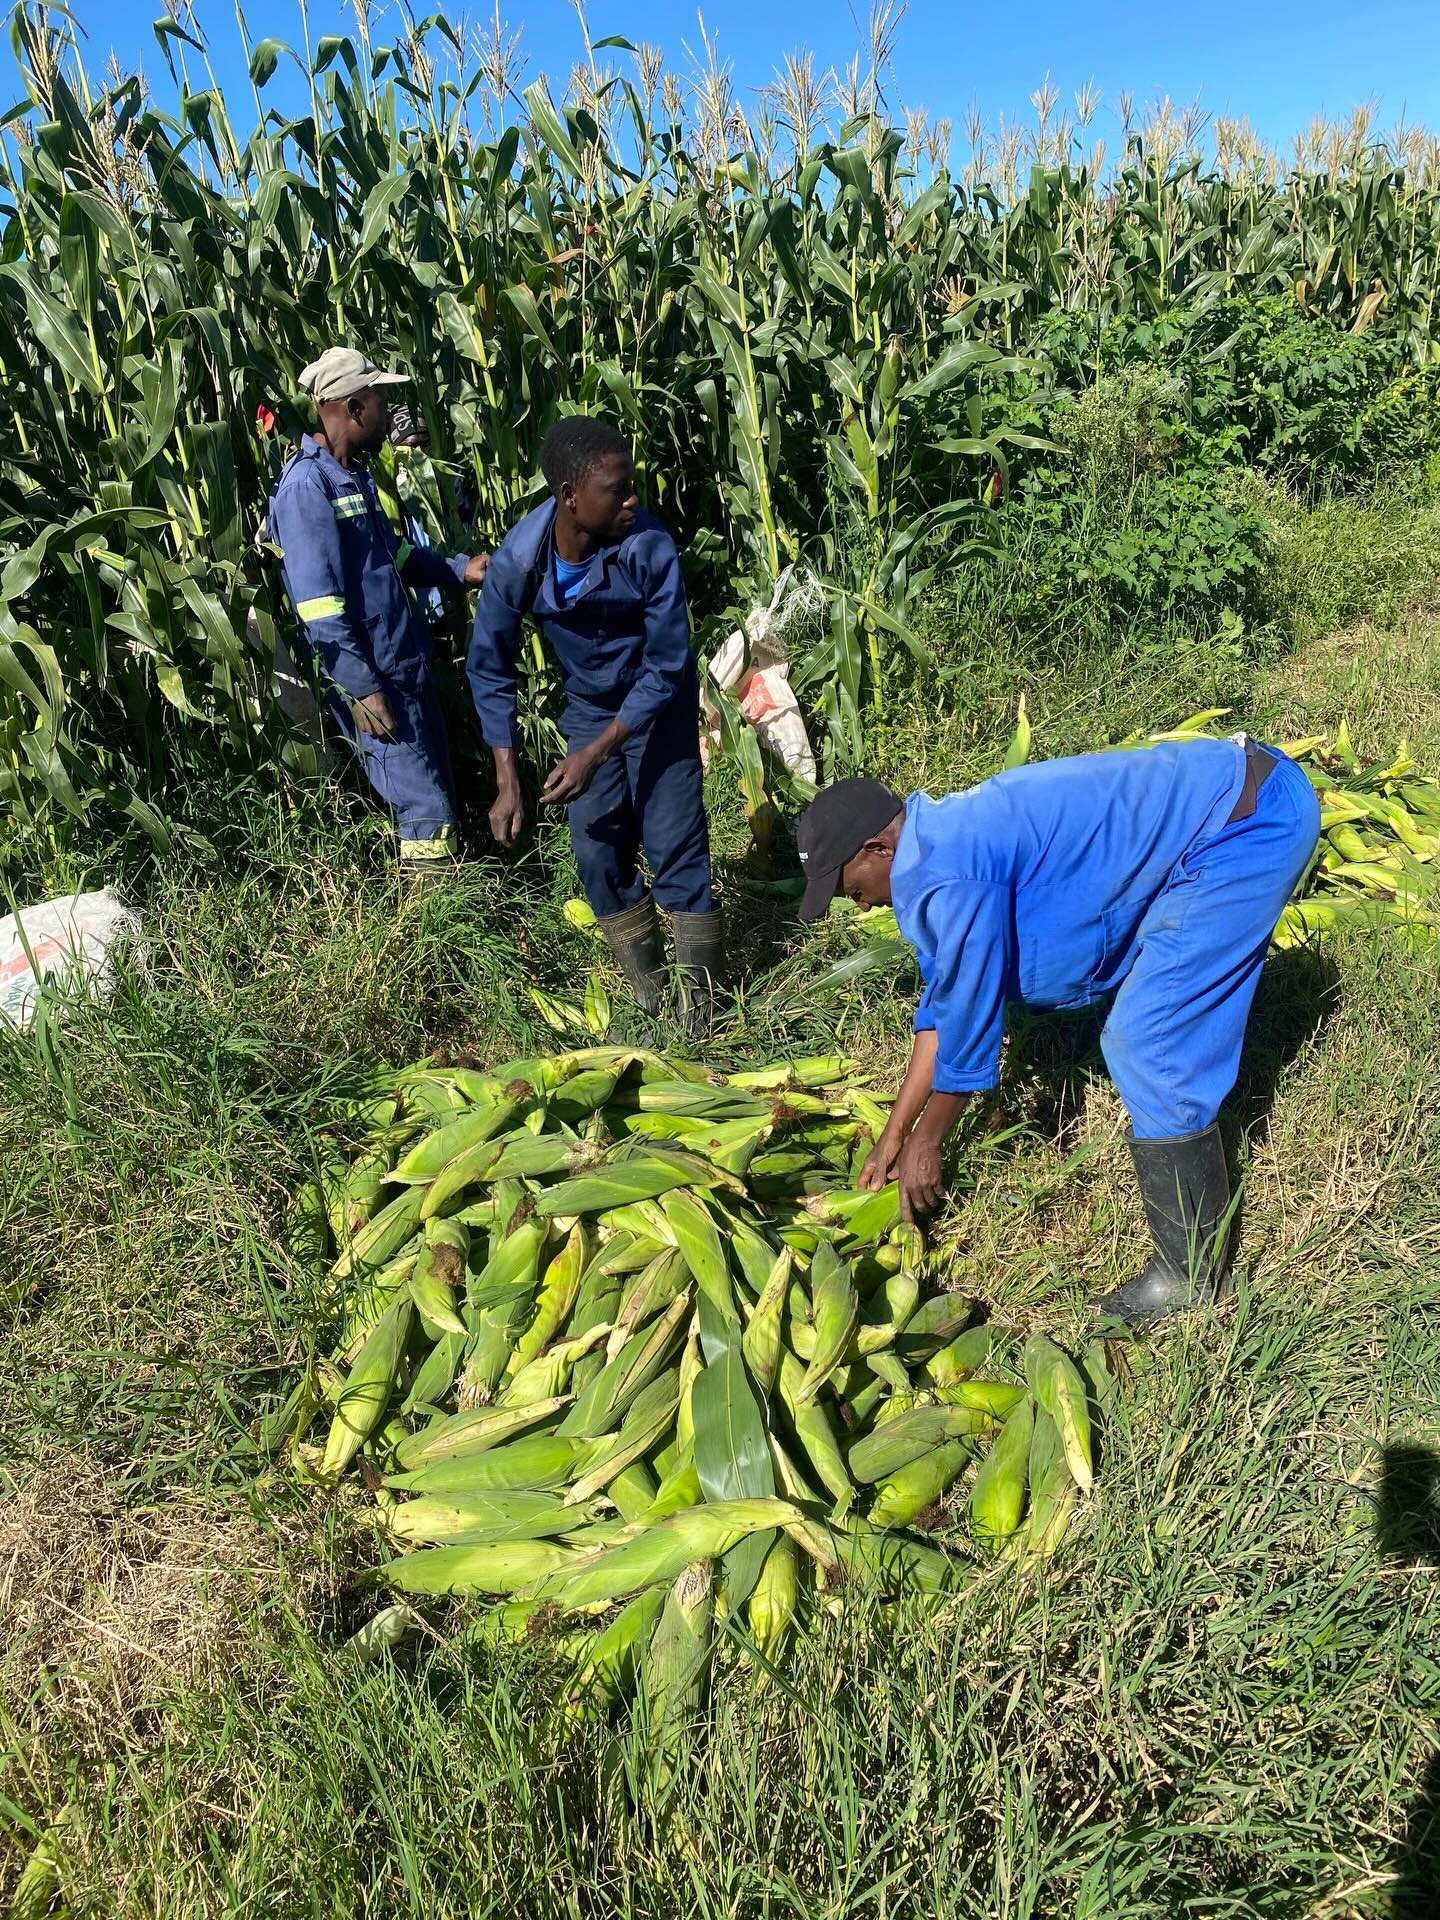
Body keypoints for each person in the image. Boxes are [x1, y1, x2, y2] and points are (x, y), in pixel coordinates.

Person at [793, 734, 1321, 1324]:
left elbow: (967, 1028)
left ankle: (1193, 1278)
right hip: (1231, 802)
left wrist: (930, 1139)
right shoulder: (935, 846)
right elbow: (945, 1007)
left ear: (877, 848)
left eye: (854, 890)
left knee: (1148, 1039)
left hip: (1245, 826)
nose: (862, 907)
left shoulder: (950, 873)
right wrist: (896, 1131)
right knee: (1146, 1020)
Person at [467, 415, 720, 1032]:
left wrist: (597, 753)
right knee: (597, 848)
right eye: (618, 489)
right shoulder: (519, 564)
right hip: (589, 704)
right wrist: (508, 780)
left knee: (672, 840)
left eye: (631, 484)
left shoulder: (647, 545)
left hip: (655, 702)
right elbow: (489, 667)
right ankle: (652, 997)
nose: (633, 499)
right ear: (570, 497)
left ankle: (703, 1011)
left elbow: (665, 667)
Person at [266, 347, 488, 873]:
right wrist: (362, 691)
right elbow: (318, 607)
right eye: (379, 396)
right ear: (352, 408)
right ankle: (434, 936)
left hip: (403, 667)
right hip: (375, 681)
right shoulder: (306, 489)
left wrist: (458, 571)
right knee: (424, 816)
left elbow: (394, 553)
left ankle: (450, 924)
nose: (388, 407)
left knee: (439, 802)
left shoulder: (354, 477)